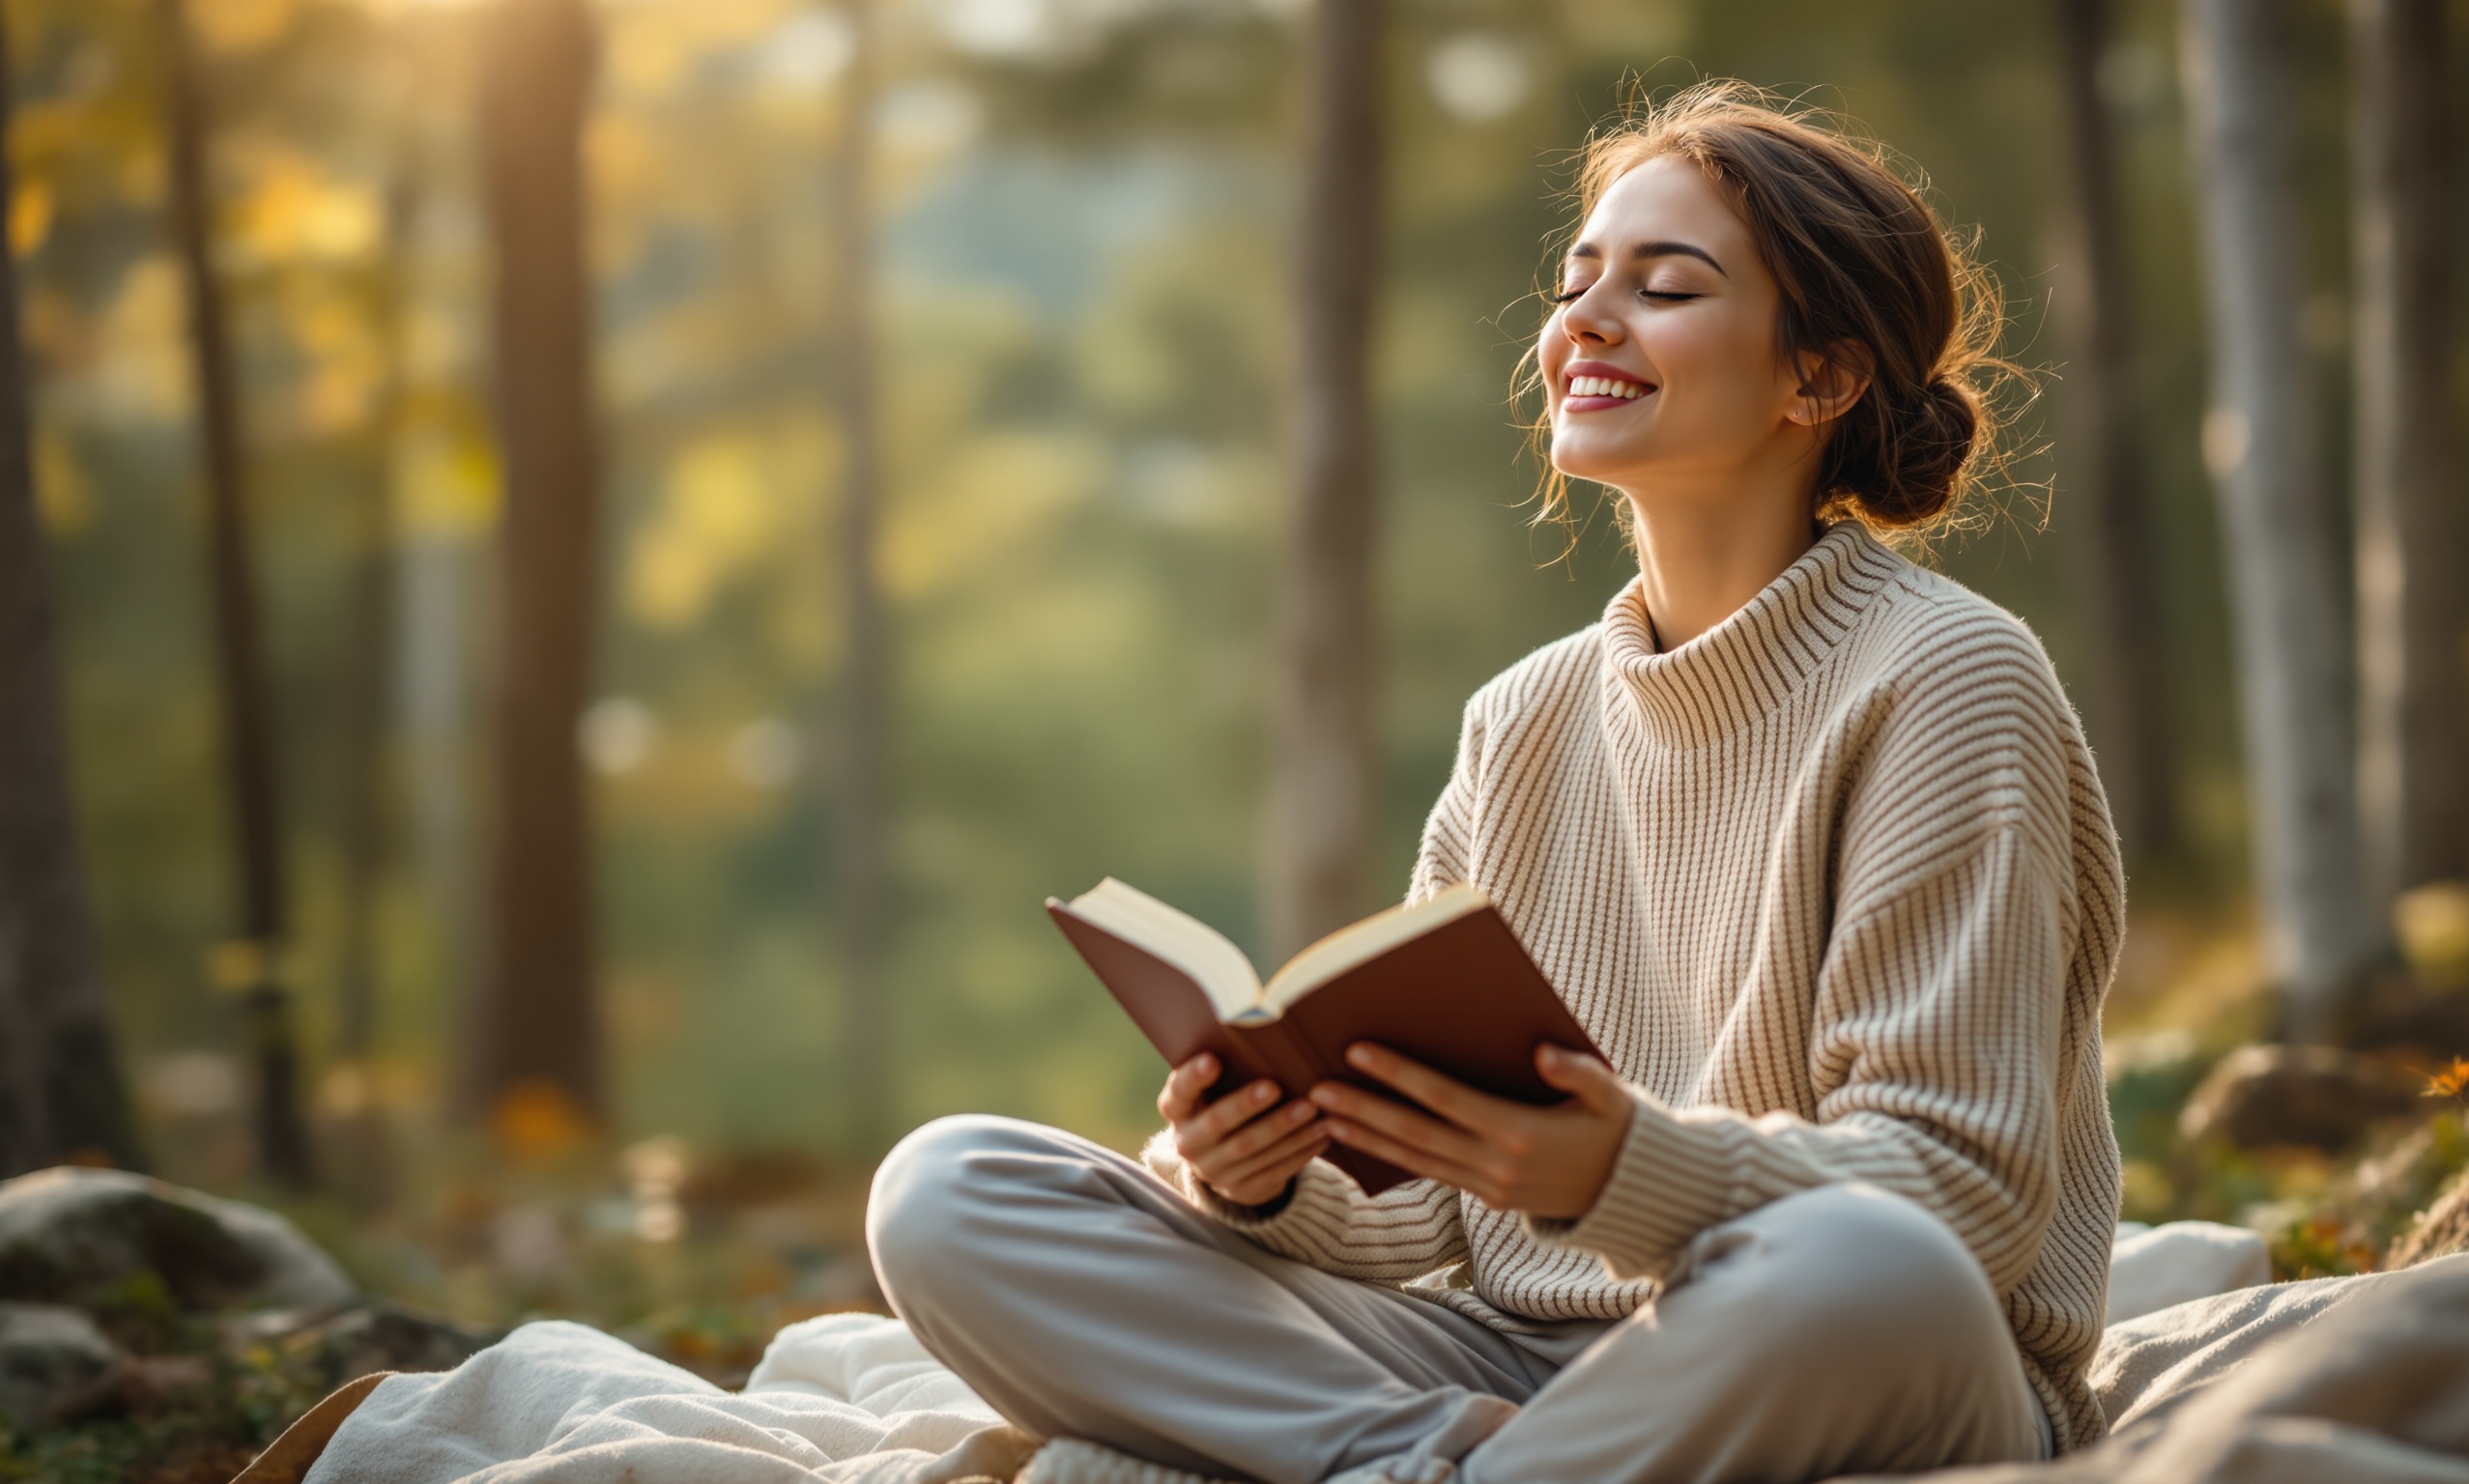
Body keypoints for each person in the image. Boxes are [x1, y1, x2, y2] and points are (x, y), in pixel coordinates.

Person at [868, 81, 2124, 1484]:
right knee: (950, 1190)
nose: (1585, 320)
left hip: (1857, 1350)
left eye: (1665, 286)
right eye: (1579, 278)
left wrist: (1621, 1171)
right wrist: (1262, 1172)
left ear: (1816, 380)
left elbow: (1962, 1199)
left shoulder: (1946, 677)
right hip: (1510, 1366)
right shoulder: (1520, 719)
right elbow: (1428, 1221)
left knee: (1857, 1260)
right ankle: (1422, 1464)